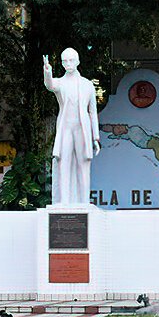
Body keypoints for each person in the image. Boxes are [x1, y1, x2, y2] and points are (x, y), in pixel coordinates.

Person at [42, 48, 101, 206]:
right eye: (65, 61)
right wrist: (47, 72)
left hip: (82, 130)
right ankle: (64, 202)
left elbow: (92, 113)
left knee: (84, 165)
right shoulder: (60, 83)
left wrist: (96, 138)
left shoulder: (87, 85)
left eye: (71, 60)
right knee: (63, 163)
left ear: (78, 61)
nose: (68, 63)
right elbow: (50, 85)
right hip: (66, 129)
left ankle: (83, 202)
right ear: (61, 63)